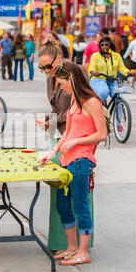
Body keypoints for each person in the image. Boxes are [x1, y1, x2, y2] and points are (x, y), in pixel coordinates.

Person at [40, 61, 107, 266]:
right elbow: (67, 132)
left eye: (62, 83)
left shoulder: (92, 102)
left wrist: (77, 141)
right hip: (65, 159)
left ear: (71, 79)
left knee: (80, 206)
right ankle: (71, 248)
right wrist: (53, 151)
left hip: (82, 160)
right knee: (62, 204)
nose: (61, 87)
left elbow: (101, 134)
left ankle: (83, 251)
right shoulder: (74, 102)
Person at [36, 40, 89, 253]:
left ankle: (81, 248)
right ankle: (64, 244)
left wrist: (52, 121)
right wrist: (48, 123)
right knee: (61, 196)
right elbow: (58, 108)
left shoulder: (77, 72)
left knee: (78, 198)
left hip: (79, 140)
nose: (46, 71)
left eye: (48, 66)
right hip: (61, 138)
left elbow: (81, 105)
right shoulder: (51, 79)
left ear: (59, 58)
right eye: (42, 68)